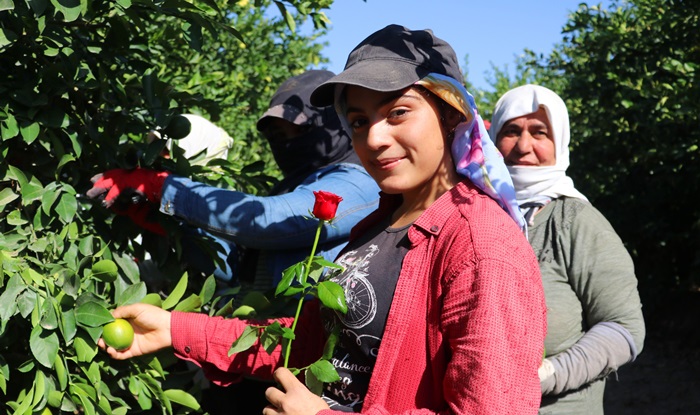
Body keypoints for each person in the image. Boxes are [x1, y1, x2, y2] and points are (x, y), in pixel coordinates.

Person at [98, 25, 547, 414]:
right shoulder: (375, 227)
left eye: (398, 112)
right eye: (357, 120)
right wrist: (175, 327)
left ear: (450, 114)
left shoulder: (481, 245)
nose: (374, 137)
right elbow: (308, 345)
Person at [88, 70, 380, 291]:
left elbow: (268, 220)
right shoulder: (295, 187)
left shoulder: (361, 181)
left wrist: (164, 187)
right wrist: (170, 225)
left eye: (298, 131)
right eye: (277, 137)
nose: (287, 144)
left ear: (332, 125)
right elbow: (236, 267)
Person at [490, 84, 646, 414]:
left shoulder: (577, 222)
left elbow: (624, 329)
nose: (523, 145)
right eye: (512, 131)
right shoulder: (477, 212)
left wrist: (542, 376)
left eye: (539, 132)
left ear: (559, 142)